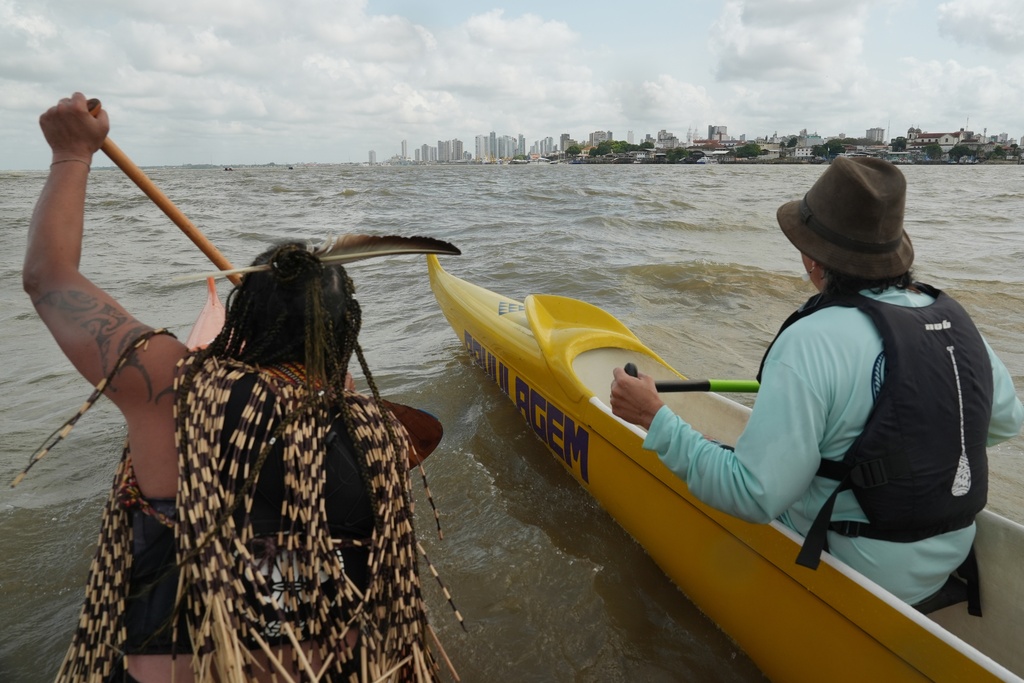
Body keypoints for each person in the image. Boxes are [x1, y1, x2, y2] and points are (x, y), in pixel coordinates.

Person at [23, 92, 455, 682]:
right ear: (343, 338)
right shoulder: (378, 434)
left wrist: (71, 154)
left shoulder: (174, 385)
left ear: (240, 319)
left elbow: (49, 278)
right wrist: (334, 393)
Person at [610, 156, 1023, 610]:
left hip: (862, 565)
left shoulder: (811, 340)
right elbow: (1003, 423)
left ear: (813, 256)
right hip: (950, 551)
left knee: (724, 470)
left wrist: (654, 417)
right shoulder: (955, 322)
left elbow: (753, 497)